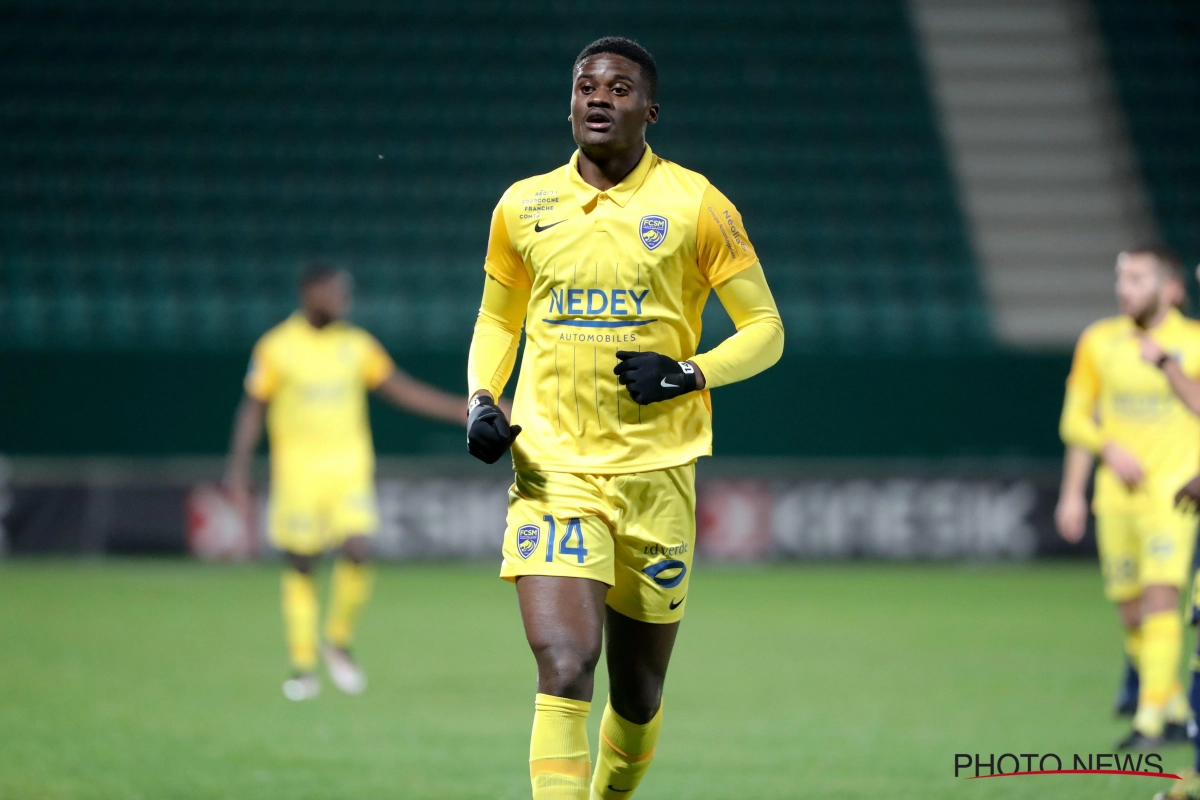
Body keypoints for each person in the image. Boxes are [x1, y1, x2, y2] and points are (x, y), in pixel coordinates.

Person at [464, 37, 785, 799]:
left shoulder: (697, 205)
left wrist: (688, 371)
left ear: (650, 109)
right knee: (566, 663)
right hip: (553, 471)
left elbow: (767, 328)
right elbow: (496, 322)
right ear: (570, 102)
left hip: (657, 477)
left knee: (637, 696)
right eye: (585, 86)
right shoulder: (523, 205)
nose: (598, 97)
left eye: (617, 87)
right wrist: (482, 399)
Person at [225, 263, 467, 701]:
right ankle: (302, 663)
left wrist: (465, 410)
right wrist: (238, 469)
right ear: (309, 293)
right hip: (296, 471)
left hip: (347, 469)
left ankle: (336, 640)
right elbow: (253, 407)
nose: (342, 300)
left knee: (358, 547)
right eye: (334, 293)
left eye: (344, 293)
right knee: (302, 561)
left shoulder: (356, 346)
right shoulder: (276, 347)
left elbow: (401, 390)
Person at [1056, 246, 1200, 749]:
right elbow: (1074, 419)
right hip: (1114, 497)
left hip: (1173, 494)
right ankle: (1178, 708)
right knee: (1132, 612)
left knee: (1162, 599)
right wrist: (1083, 477)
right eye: (1121, 276)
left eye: (1138, 278)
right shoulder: (1099, 341)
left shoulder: (1194, 342)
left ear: (1170, 289)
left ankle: (1149, 723)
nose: (1125, 288)